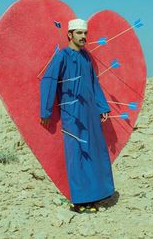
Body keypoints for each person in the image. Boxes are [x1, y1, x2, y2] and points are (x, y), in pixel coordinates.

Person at [40, 18, 115, 213]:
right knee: (77, 154)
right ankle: (79, 200)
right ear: (69, 34)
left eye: (85, 33)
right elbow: (48, 81)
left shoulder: (86, 58)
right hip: (72, 113)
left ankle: (96, 195)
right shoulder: (62, 56)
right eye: (79, 33)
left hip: (90, 112)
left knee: (93, 152)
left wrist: (102, 107)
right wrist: (46, 111)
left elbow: (93, 84)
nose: (83, 37)